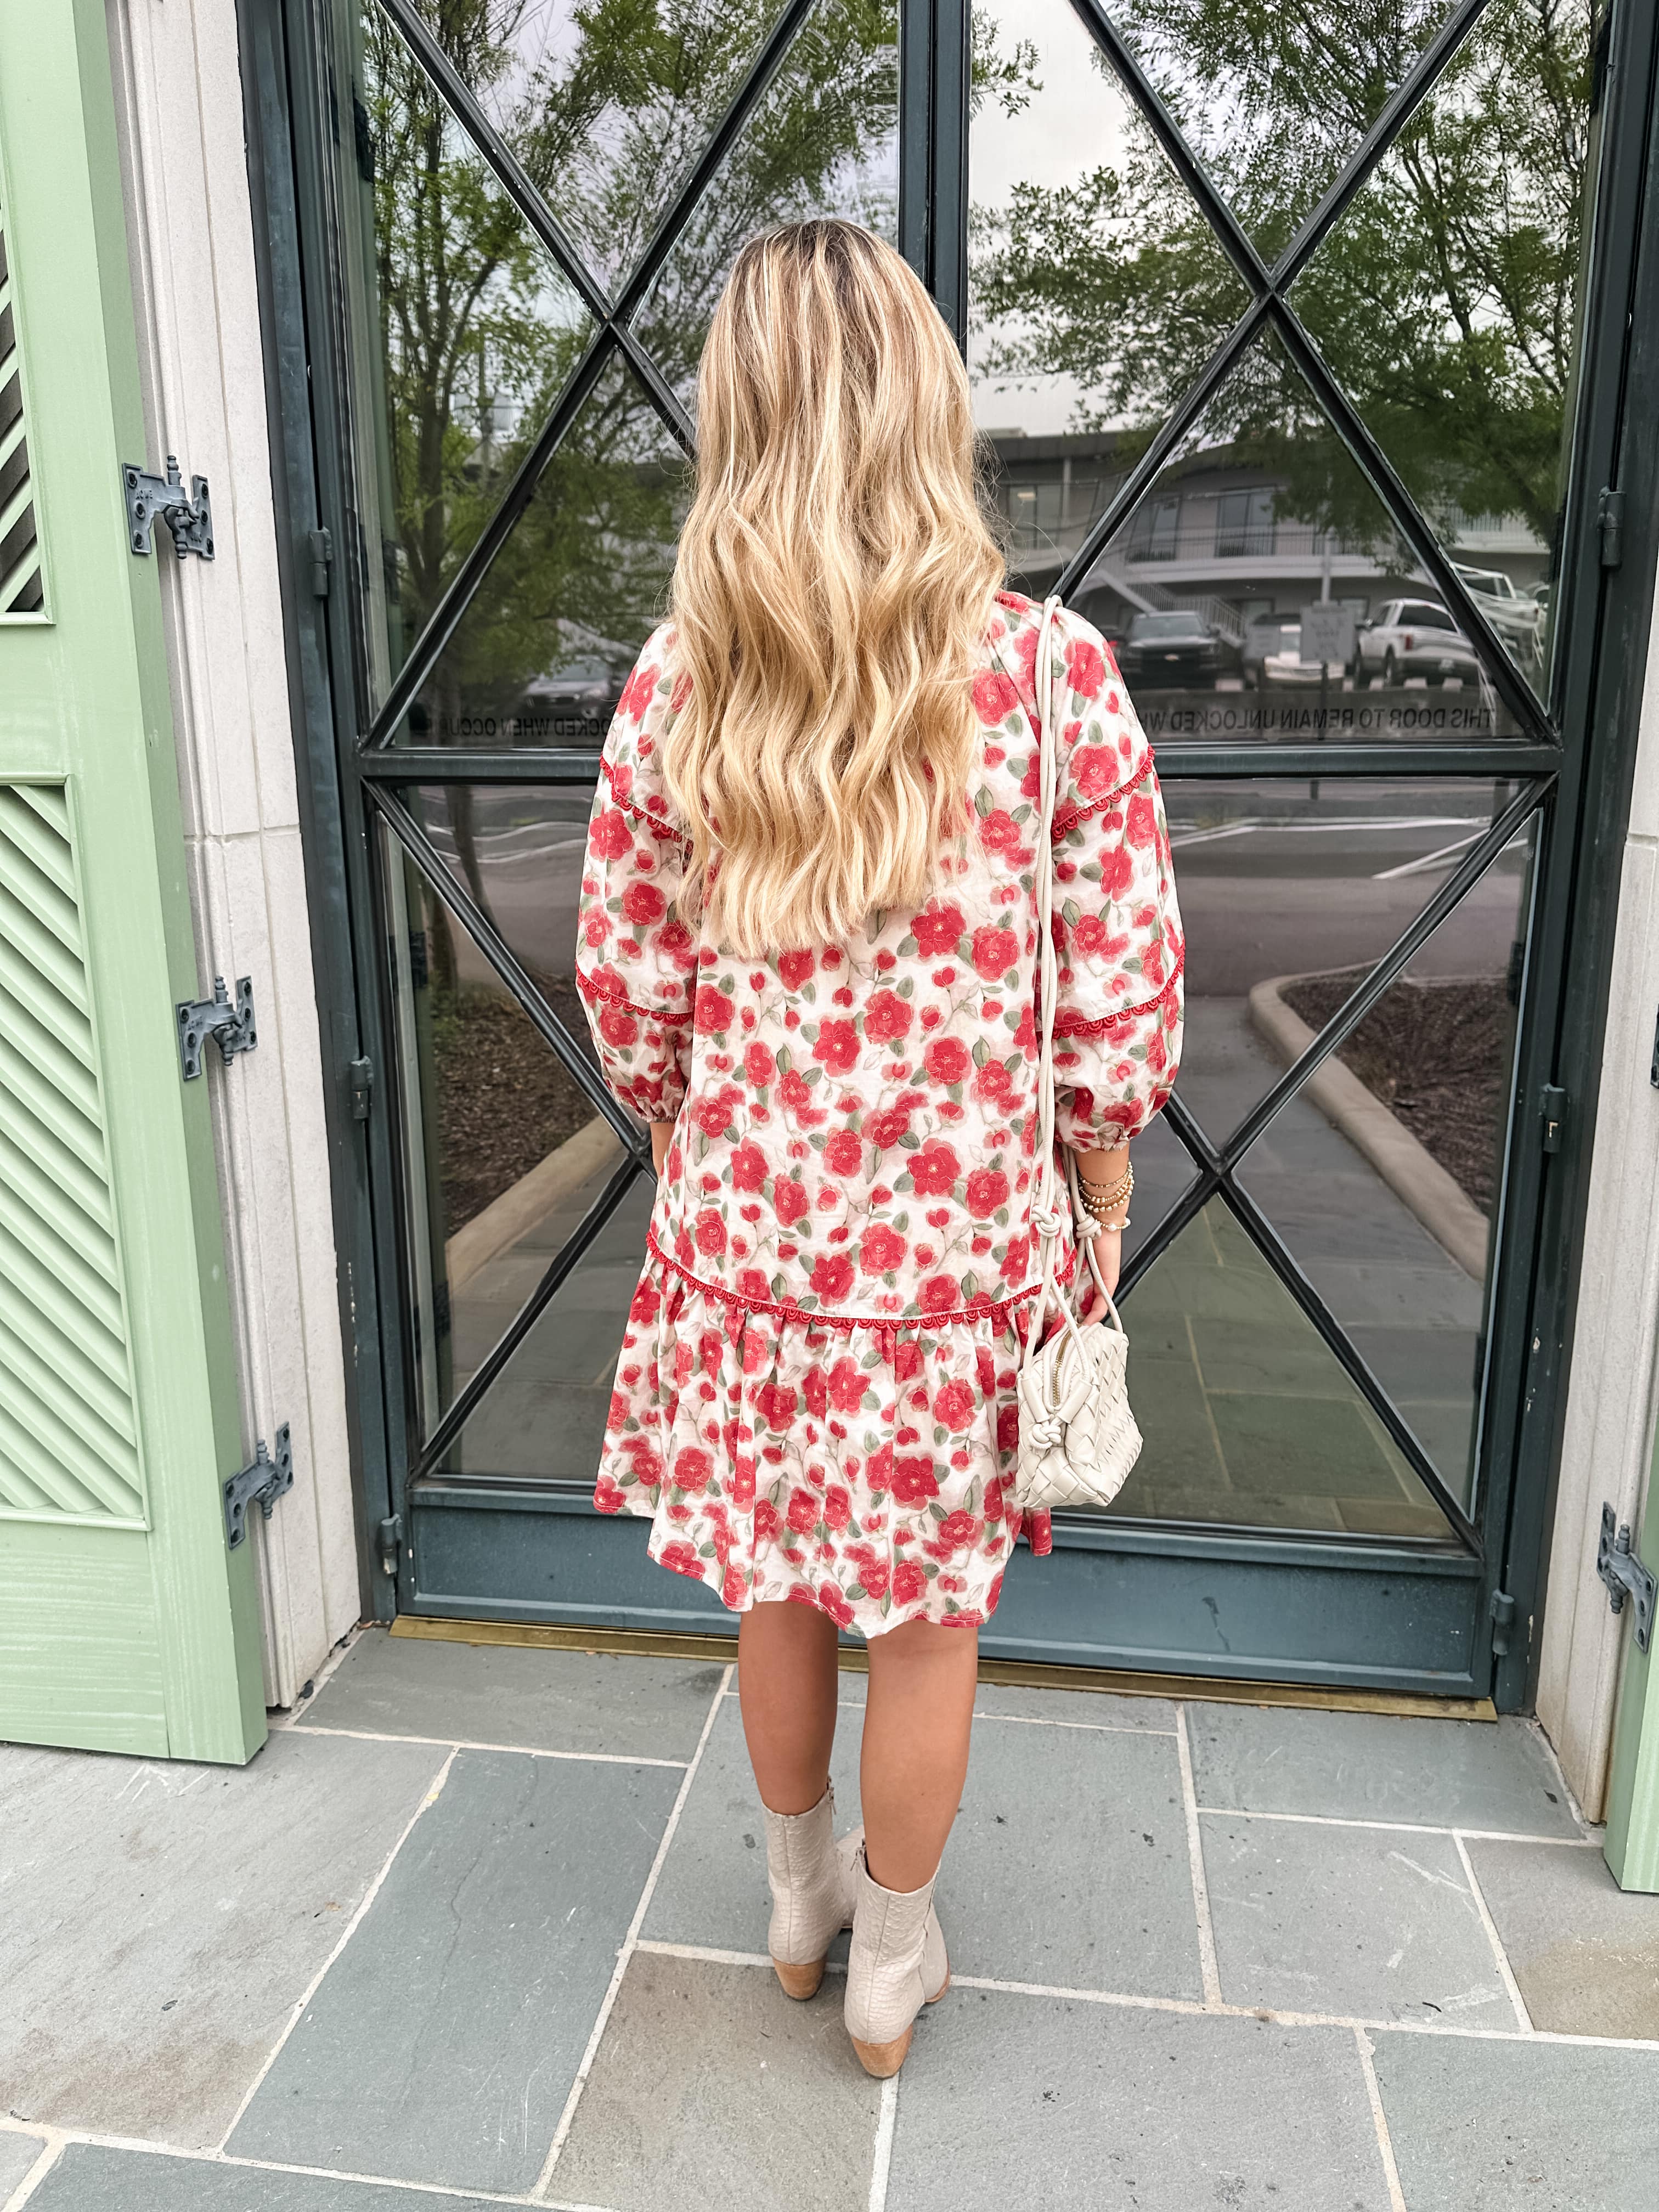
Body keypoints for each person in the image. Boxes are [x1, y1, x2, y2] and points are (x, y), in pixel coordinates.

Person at [575, 219, 1182, 2077]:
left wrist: (697, 1127)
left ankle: (793, 1894)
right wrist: (1096, 1168)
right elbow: (1125, 987)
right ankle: (897, 1965)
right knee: (927, 1624)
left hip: (750, 1251)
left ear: (737, 425)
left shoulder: (684, 685)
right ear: (928, 407)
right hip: (952, 1271)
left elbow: (626, 983)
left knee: (778, 1586)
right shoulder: (1052, 675)